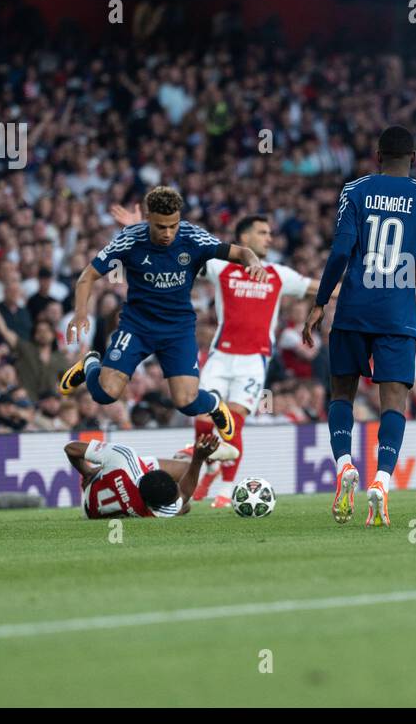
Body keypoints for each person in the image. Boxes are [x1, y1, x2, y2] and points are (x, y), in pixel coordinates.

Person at [303, 125, 416, 527]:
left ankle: (344, 465)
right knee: (393, 403)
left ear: (377, 156)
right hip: (396, 314)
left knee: (342, 393)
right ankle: (380, 482)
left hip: (355, 308)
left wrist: (320, 302)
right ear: (413, 158)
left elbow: (341, 250)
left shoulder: (354, 191)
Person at [112, 206, 316, 507]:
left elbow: (318, 287)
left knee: (232, 421)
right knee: (203, 418)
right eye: (263, 232)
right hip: (220, 357)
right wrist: (142, 228)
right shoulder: (222, 268)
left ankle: (225, 490)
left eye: (270, 233)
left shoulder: (278, 274)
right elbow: (179, 249)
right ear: (244, 237)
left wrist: (358, 290)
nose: (269, 239)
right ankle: (206, 466)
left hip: (253, 361)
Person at [59, 185, 268, 440]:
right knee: (104, 393)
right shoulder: (130, 239)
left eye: (173, 225)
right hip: (137, 326)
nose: (168, 233)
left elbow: (241, 252)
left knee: (187, 403)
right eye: (161, 226)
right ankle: (91, 363)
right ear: (149, 220)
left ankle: (213, 403)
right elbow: (87, 276)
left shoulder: (193, 236)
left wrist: (254, 263)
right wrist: (80, 313)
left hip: (177, 330)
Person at [66, 432, 220, 519]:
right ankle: (184, 454)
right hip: (95, 507)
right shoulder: (155, 513)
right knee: (185, 501)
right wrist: (198, 459)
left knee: (183, 499)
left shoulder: (124, 459)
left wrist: (87, 473)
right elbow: (185, 494)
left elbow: (71, 448)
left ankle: (186, 454)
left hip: (92, 498)